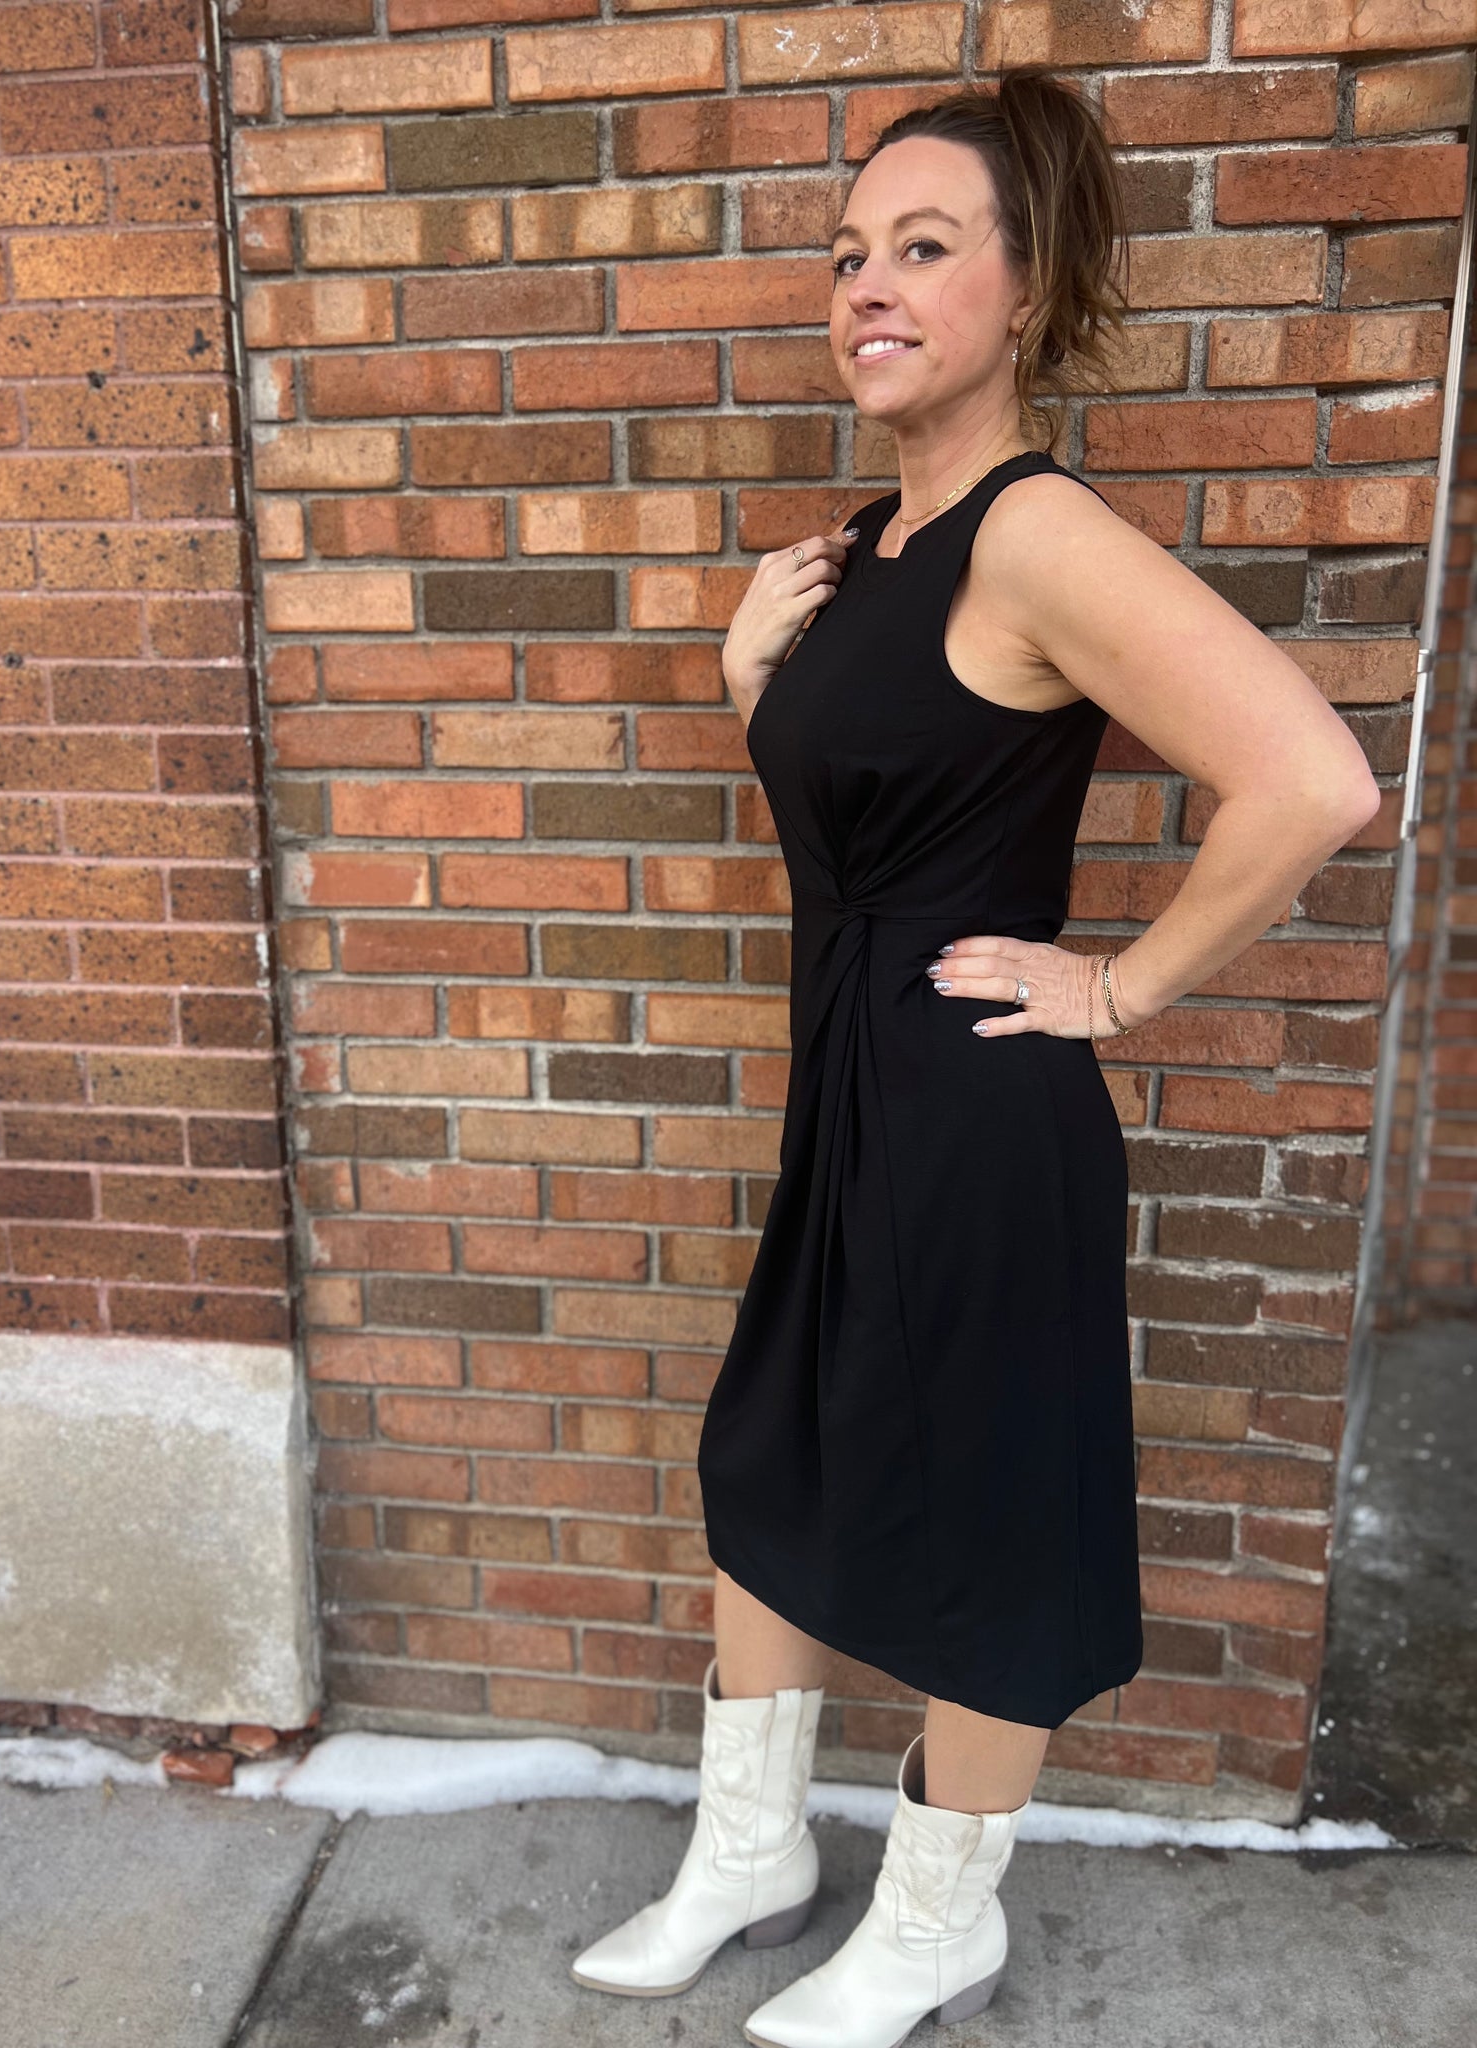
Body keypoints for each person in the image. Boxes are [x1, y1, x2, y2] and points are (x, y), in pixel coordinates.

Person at [568, 66, 1381, 2048]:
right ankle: (750, 1851)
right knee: (773, 1453)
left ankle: (940, 1919)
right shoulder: (869, 543)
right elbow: (872, 806)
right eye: (851, 252)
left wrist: (1122, 991)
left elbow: (1312, 780)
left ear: (1028, 293)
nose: (869, 284)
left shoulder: (1035, 535)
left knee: (991, 1510)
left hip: (976, 1117)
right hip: (851, 1097)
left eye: (925, 249)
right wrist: (749, 676)